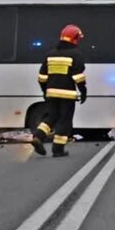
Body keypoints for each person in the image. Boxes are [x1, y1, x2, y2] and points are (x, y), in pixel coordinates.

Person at [31, 24, 87, 157]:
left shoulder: (51, 54)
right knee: (65, 120)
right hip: (67, 94)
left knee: (52, 117)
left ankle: (38, 136)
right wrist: (83, 91)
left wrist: (45, 91)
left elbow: (42, 77)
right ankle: (58, 150)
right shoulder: (75, 54)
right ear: (75, 38)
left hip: (51, 93)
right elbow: (78, 76)